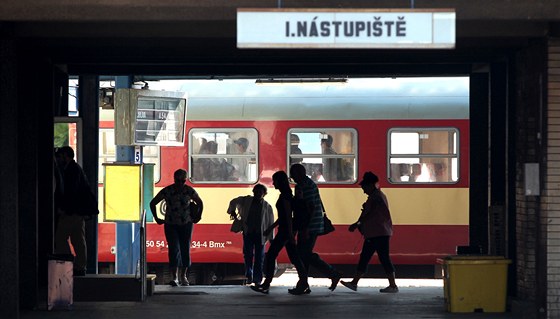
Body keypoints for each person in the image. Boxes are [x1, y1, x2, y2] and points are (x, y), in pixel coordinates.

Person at [251, 171, 310, 295]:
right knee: (294, 257)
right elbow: (283, 216)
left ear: (280, 181)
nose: (273, 183)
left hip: (285, 231)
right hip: (286, 230)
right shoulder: (286, 194)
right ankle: (304, 283)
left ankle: (266, 284)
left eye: (275, 180)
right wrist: (271, 227)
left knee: (272, 255)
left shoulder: (285, 196)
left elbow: (288, 216)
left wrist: (289, 233)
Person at [340, 172, 398, 293]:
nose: (363, 190)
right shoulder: (377, 196)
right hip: (376, 232)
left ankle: (392, 285)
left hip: (378, 232)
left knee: (381, 258)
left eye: (364, 187)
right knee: (367, 257)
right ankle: (354, 283)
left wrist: (358, 224)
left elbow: (372, 214)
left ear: (371, 185)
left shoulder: (376, 197)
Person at [289, 163, 342, 291]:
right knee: (304, 254)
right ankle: (303, 284)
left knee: (304, 254)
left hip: (309, 225)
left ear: (299, 173)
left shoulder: (304, 186)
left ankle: (332, 274)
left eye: (293, 174)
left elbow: (308, 208)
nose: (292, 176)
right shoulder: (309, 183)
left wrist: (305, 228)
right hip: (313, 224)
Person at [150, 169, 204, 286]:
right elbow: (153, 202)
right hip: (171, 224)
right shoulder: (168, 190)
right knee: (174, 249)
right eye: (178, 180)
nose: (180, 183)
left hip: (186, 224)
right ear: (174, 179)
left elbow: (200, 202)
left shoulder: (188, 190)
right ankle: (175, 277)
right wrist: (157, 218)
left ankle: (183, 276)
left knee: (185, 249)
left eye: (183, 180)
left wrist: (199, 215)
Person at [227, 184, 275, 285]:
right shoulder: (246, 200)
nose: (258, 194)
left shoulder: (267, 207)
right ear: (253, 192)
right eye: (256, 192)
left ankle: (256, 279)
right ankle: (250, 275)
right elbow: (233, 202)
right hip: (249, 232)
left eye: (260, 192)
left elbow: (270, 223)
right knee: (248, 255)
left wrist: (271, 238)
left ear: (264, 194)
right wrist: (232, 212)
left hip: (260, 234)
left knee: (259, 257)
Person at [54, 146, 90, 276]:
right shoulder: (75, 169)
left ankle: (69, 263)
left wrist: (64, 209)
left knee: (60, 237)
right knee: (78, 240)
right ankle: (80, 266)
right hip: (78, 211)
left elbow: (70, 193)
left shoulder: (71, 170)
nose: (59, 159)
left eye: (61, 156)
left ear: (66, 156)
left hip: (71, 212)